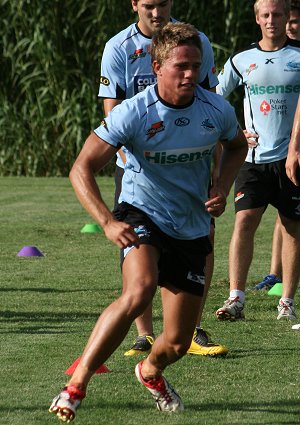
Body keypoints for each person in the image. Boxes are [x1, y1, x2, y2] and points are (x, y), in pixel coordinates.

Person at [49, 22, 247, 422]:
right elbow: (81, 168)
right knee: (138, 291)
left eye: (195, 65)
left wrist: (222, 187)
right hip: (142, 213)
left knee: (174, 343)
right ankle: (77, 383)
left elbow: (238, 144)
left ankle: (151, 371)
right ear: (157, 67)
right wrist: (107, 222)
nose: (191, 74)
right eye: (181, 67)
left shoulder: (216, 109)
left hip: (191, 226)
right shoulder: (134, 113)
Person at [99, 0, 227, 357]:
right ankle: (144, 333)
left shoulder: (193, 40)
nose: (158, 13)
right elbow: (112, 107)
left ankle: (192, 327)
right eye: (150, 5)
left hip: (190, 157)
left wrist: (218, 170)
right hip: (138, 160)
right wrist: (125, 152)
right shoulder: (118, 47)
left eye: (164, 4)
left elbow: (211, 101)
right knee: (138, 244)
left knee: (204, 234)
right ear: (135, 4)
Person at [216, 0, 300, 321]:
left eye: (277, 14)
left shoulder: (299, 56)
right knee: (244, 221)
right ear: (256, 18)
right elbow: (213, 99)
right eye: (265, 15)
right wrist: (235, 134)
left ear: (286, 17)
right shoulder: (241, 60)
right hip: (253, 160)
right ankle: (236, 298)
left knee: (293, 227)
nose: (271, 20)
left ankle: (287, 303)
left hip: (292, 160)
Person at [255, 0, 300, 290]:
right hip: (282, 152)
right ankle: (276, 273)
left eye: (294, 22)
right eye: (291, 22)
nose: (291, 26)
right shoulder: (266, 58)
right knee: (286, 216)